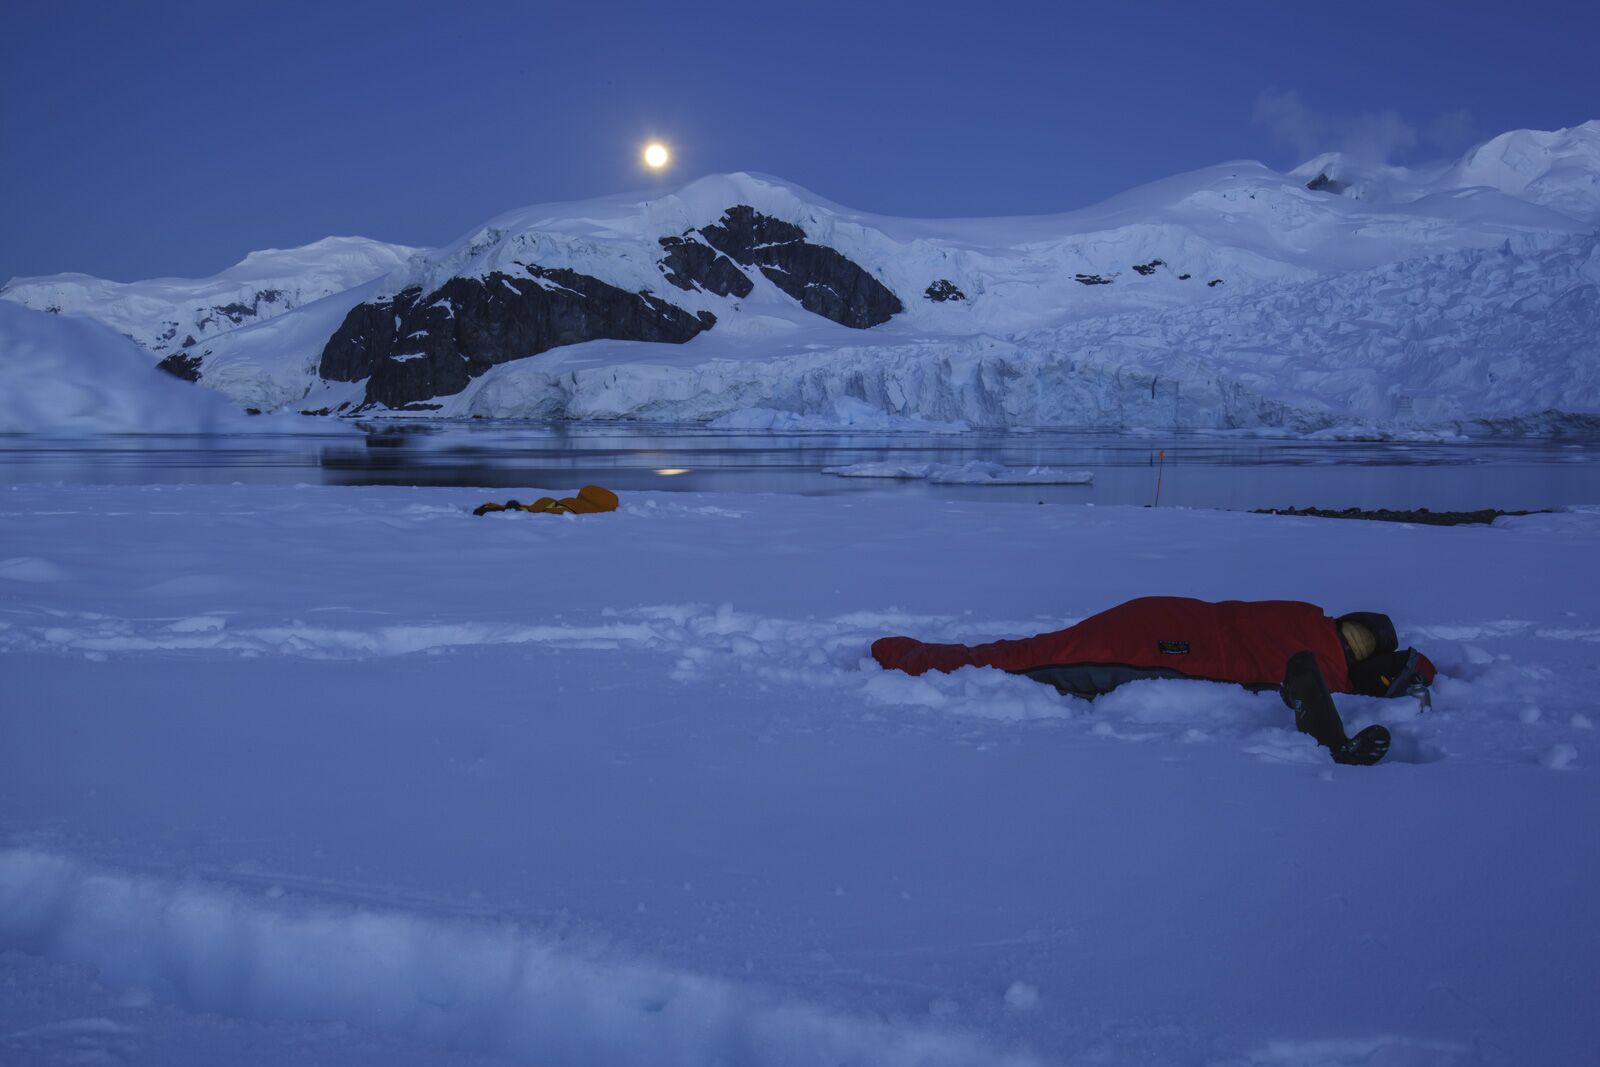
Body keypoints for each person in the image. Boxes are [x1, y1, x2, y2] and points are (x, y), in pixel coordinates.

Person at [871, 597, 1436, 766]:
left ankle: (905, 653)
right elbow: (1302, 676)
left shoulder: (1308, 618)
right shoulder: (1316, 650)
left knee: (1027, 653)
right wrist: (1337, 745)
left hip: (1166, 618)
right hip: (1165, 644)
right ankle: (906, 658)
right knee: (1021, 662)